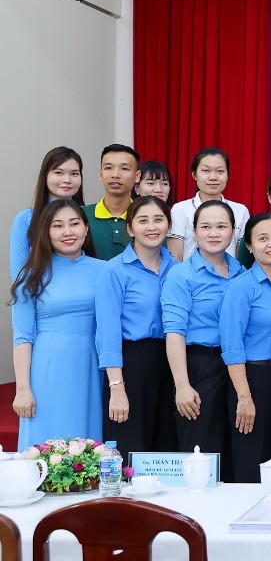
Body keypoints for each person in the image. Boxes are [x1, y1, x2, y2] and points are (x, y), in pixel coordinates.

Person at [10, 200, 106, 449]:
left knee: (87, 445)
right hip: (47, 369)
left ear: (86, 228)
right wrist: (23, 388)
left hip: (92, 368)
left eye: (74, 224)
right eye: (58, 226)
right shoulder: (30, 276)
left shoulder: (107, 271)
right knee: (45, 446)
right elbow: (22, 337)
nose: (68, 232)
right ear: (46, 232)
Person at [95, 196, 179, 460]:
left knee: (167, 446)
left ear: (168, 226)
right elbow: (107, 332)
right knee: (131, 447)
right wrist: (116, 386)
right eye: (143, 221)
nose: (152, 227)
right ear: (130, 228)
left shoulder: (177, 268)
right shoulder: (115, 270)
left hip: (171, 362)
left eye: (158, 219)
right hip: (131, 364)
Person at [161, 200, 244, 462]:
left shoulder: (241, 273)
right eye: (206, 227)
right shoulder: (181, 275)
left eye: (222, 226)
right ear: (194, 231)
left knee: (235, 447)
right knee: (201, 448)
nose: (214, 233)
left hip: (238, 367)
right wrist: (182, 385)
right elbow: (174, 333)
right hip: (199, 367)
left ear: (233, 231)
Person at [219, 213, 271, 482]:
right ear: (250, 247)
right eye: (263, 239)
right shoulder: (241, 287)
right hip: (253, 379)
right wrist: (244, 397)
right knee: (251, 461)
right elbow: (232, 346)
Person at [10, 146, 86, 280]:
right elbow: (19, 274)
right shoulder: (26, 219)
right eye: (59, 173)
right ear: (45, 175)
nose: (67, 180)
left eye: (74, 174)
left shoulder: (87, 214)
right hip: (40, 291)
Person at [168, 147, 251, 261]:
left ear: (227, 175)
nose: (213, 177)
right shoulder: (180, 209)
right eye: (206, 171)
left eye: (220, 171)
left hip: (229, 272)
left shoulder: (240, 211)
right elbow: (175, 257)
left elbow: (242, 257)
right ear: (194, 175)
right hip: (190, 272)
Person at [85, 144, 140, 261]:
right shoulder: (81, 215)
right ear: (100, 174)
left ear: (137, 176)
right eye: (108, 168)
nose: (115, 175)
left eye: (124, 169)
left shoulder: (145, 218)